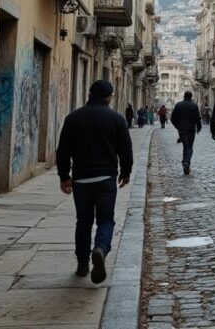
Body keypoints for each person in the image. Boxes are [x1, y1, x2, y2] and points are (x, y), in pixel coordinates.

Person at [56, 80, 133, 284]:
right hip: (106, 179)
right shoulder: (116, 119)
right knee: (106, 220)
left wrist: (64, 176)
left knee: (83, 221)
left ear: (89, 94)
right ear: (109, 97)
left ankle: (82, 263)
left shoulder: (73, 118)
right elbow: (126, 149)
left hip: (81, 179)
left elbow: (63, 150)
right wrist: (125, 172)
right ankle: (100, 248)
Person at [170, 91, 202, 175]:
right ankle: (187, 162)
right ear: (191, 97)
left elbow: (172, 118)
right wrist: (199, 127)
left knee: (185, 146)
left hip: (182, 129)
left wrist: (178, 126)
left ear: (184, 96)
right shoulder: (194, 105)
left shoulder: (178, 105)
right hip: (191, 129)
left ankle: (185, 162)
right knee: (190, 146)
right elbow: (198, 118)